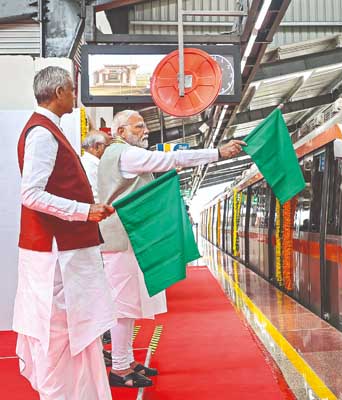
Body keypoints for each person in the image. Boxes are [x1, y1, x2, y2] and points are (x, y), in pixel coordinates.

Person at [98, 109, 246, 388]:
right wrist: (216, 153)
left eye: (144, 125)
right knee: (122, 306)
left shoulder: (116, 154)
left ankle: (126, 361)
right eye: (138, 126)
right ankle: (119, 368)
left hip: (125, 239)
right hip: (122, 239)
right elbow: (171, 158)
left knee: (128, 305)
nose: (145, 131)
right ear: (121, 132)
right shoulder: (125, 154)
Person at [13, 66, 116, 399]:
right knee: (59, 334)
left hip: (60, 251)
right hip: (57, 255)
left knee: (69, 332)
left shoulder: (48, 130)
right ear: (58, 93)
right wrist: (85, 211)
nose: (75, 96)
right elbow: (31, 194)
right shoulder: (42, 133)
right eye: (72, 90)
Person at [81, 130, 111, 202]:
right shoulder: (90, 166)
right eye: (108, 146)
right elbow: (94, 197)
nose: (110, 150)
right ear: (97, 147)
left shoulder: (87, 162)